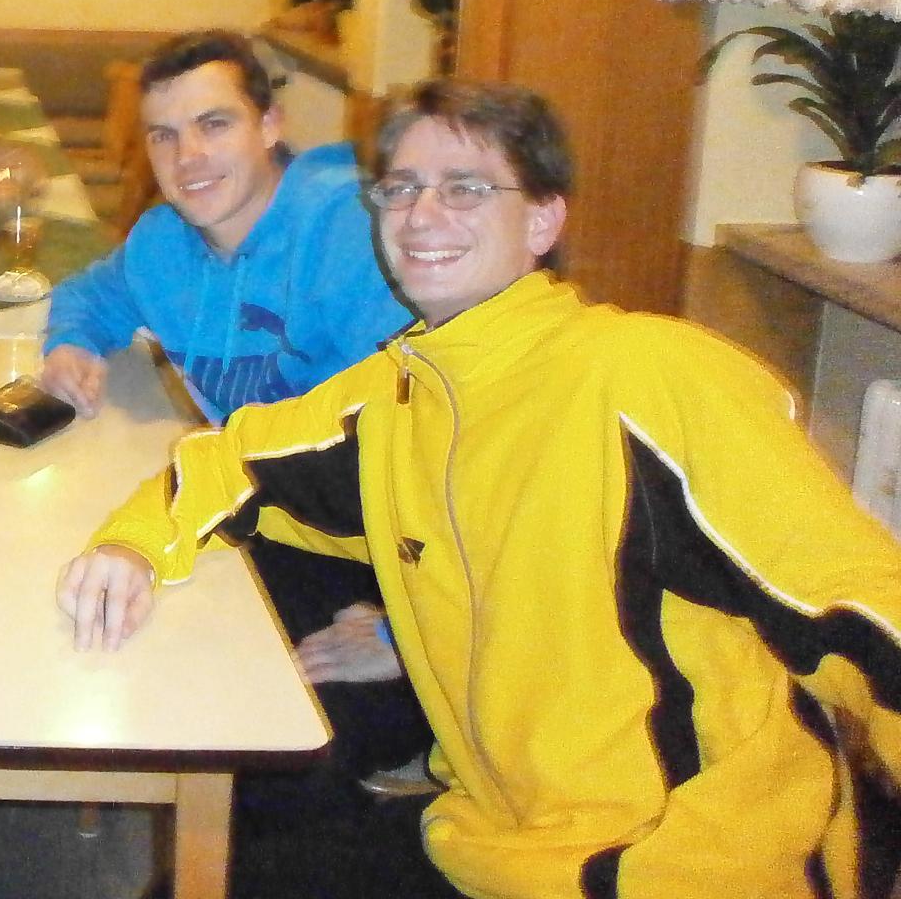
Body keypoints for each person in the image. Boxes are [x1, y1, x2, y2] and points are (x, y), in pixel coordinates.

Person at [59, 78, 901, 899]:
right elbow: (230, 461)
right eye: (401, 189)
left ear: (542, 220)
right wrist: (131, 548)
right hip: (495, 842)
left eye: (465, 188)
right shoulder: (395, 395)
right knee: (225, 865)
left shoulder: (652, 375)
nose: (422, 215)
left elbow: (866, 612)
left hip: (679, 866)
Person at [42, 30, 423, 791]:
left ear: (270, 124)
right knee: (119, 654)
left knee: (267, 761)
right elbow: (92, 293)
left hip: (389, 556)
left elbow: (442, 442)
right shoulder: (163, 243)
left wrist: (401, 628)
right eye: (164, 135)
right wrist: (71, 344)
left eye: (214, 124)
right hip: (263, 518)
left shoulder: (355, 235)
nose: (188, 157)